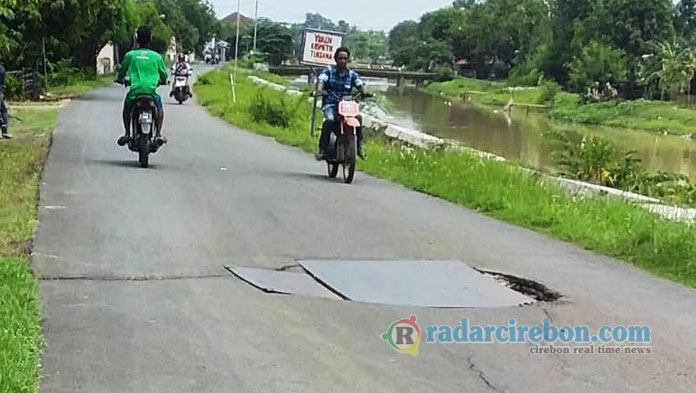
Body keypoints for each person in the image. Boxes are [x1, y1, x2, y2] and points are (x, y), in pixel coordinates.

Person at [116, 26, 168, 147]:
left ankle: (127, 133)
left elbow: (122, 71)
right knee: (159, 108)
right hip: (151, 92)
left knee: (127, 109)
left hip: (135, 92)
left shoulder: (131, 55)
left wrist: (120, 79)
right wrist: (163, 81)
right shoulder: (157, 57)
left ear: (137, 39)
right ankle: (158, 134)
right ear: (150, 39)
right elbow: (164, 75)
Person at [316, 47, 369, 161]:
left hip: (347, 106)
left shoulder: (352, 74)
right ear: (335, 59)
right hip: (331, 104)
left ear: (348, 60)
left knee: (358, 118)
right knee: (329, 120)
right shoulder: (329, 71)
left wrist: (365, 92)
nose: (343, 61)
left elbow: (360, 83)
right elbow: (321, 80)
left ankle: (358, 147)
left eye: (345, 58)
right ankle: (322, 149)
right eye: (340, 58)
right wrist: (320, 90)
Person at [0, 63, 10, 139]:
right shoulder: (2, 69)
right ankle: (4, 131)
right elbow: (3, 84)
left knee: (3, 110)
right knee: (4, 110)